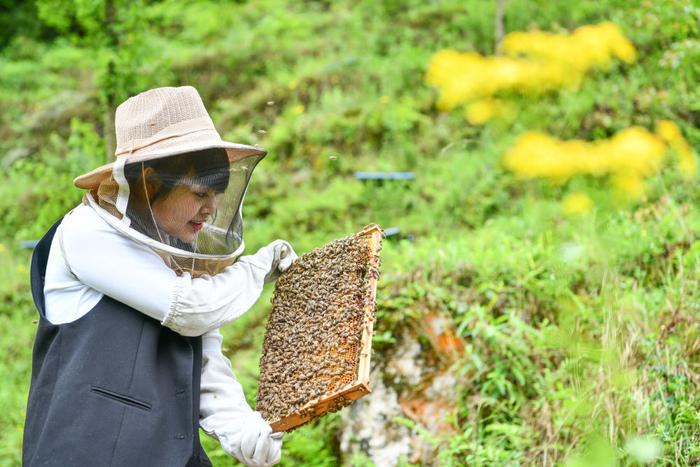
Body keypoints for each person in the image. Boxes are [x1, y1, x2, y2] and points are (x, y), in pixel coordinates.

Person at [23, 86, 296, 466]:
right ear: (150, 181)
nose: (211, 208)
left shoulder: (176, 246)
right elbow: (191, 309)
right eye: (201, 193)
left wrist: (241, 428)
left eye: (217, 194)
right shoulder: (86, 233)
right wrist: (257, 267)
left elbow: (202, 355)